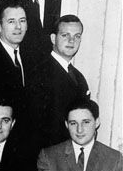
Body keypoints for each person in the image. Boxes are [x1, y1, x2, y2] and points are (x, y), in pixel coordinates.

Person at [29, 15, 91, 149]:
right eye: (65, 35)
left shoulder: (79, 77)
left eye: (77, 36)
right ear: (53, 38)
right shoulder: (39, 73)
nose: (71, 41)